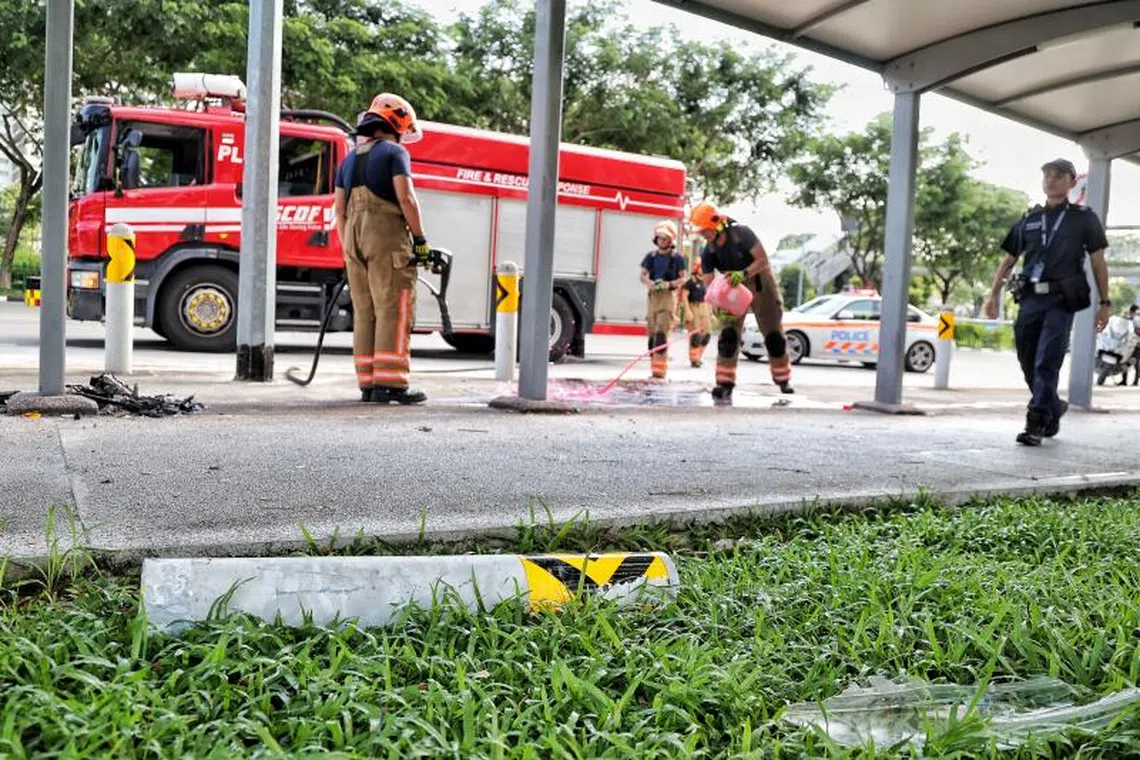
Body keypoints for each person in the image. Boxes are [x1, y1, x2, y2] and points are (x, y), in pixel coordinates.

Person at [983, 158, 1111, 445]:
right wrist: (992, 294)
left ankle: (1037, 421)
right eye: (1047, 176)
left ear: (1071, 182)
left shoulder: (1083, 218)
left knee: (1046, 360)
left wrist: (1105, 302)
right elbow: (1008, 259)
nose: (1051, 180)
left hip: (1062, 299)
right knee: (1027, 358)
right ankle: (1054, 404)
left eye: (1058, 176)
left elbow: (1098, 262)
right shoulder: (1029, 218)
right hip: (1030, 299)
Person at [334, 93, 432, 404]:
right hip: (384, 235)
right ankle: (391, 385)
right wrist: (420, 239)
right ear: (396, 125)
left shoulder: (348, 160)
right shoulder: (395, 153)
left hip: (352, 237)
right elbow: (406, 199)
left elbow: (340, 211)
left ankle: (368, 383)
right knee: (393, 306)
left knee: (365, 312)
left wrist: (348, 247)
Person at [689, 201, 793, 401]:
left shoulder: (742, 234)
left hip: (759, 281)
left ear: (717, 225)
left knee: (773, 335)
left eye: (706, 230)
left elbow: (762, 260)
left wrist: (744, 273)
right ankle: (724, 383)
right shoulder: (707, 253)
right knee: (728, 335)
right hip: (732, 287)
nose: (704, 235)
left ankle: (783, 379)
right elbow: (710, 288)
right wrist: (719, 309)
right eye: (701, 232)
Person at [639, 221, 686, 379]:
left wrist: (668, 284)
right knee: (652, 337)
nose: (661, 240)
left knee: (661, 335)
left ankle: (659, 373)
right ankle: (654, 368)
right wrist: (651, 283)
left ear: (670, 240)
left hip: (667, 298)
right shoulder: (650, 257)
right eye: (659, 237)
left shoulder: (677, 258)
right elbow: (642, 275)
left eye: (664, 238)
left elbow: (682, 278)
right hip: (653, 297)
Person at [682, 260, 712, 367]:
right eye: (701, 267)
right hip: (693, 307)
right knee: (696, 336)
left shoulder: (706, 282)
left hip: (704, 308)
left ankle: (698, 356)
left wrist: (711, 313)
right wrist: (687, 311)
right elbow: (684, 297)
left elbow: (708, 298)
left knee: (707, 335)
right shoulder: (690, 282)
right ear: (696, 268)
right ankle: (694, 360)